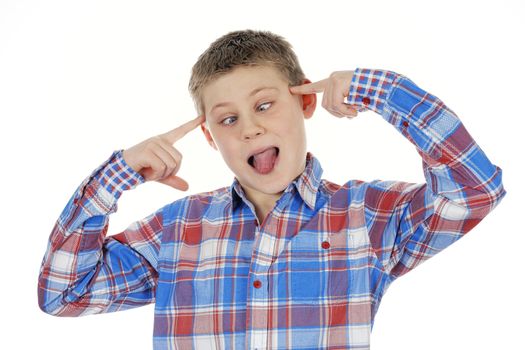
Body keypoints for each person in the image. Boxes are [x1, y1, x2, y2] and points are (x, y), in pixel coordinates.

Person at [38, 29, 507, 349]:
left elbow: (475, 190)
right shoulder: (177, 230)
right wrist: (114, 178)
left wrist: (382, 91)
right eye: (228, 118)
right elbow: (64, 294)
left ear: (304, 100)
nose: (249, 129)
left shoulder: (369, 217)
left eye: (264, 105)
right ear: (210, 137)